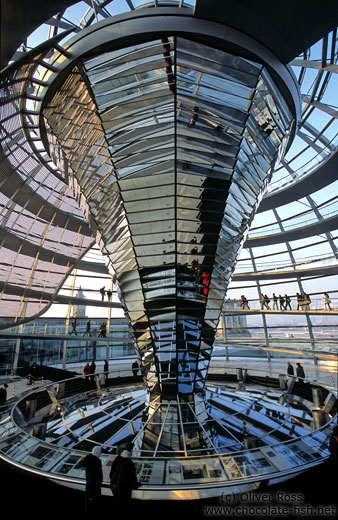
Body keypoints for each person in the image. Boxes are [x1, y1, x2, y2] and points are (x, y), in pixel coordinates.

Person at [109, 442, 139, 512]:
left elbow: (112, 471)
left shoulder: (118, 458)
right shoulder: (129, 462)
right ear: (131, 450)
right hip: (124, 490)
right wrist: (136, 484)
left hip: (115, 487)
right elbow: (132, 476)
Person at [82, 446, 103, 512]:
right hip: (94, 488)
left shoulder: (89, 461)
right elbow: (94, 477)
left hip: (90, 487)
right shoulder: (95, 463)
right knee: (92, 505)